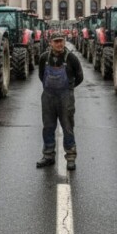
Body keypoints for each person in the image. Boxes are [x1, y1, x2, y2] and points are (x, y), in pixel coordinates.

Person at [36, 32, 84, 170]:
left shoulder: (71, 58)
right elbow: (41, 75)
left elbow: (79, 76)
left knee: (67, 127)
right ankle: (48, 155)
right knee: (48, 127)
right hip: (48, 96)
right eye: (56, 41)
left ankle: (70, 157)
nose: (59, 44)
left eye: (61, 41)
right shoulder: (44, 58)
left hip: (65, 98)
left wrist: (69, 89)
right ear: (50, 43)